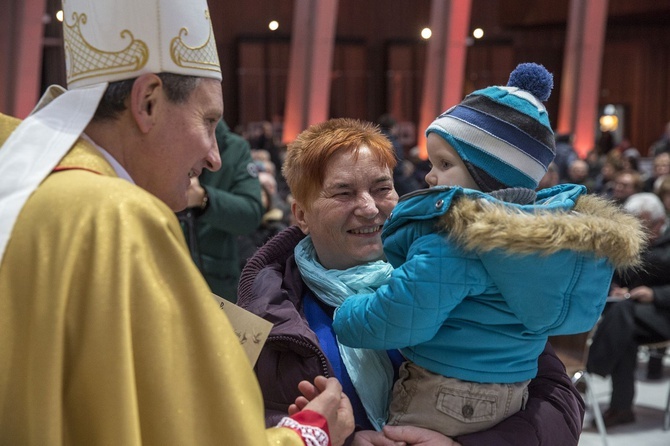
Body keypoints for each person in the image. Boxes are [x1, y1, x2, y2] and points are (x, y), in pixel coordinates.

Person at [0, 0, 354, 444]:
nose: (213, 156)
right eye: (208, 121)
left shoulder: (24, 185)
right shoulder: (117, 217)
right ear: (147, 102)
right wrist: (310, 432)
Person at [236, 116, 629, 446]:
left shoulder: (458, 268)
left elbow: (560, 402)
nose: (370, 208)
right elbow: (239, 424)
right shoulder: (264, 312)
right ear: (301, 214)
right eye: (343, 192)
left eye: (381, 188)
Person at [332, 63, 645, 437]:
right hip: (513, 394)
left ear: (489, 178)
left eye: (445, 164)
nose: (431, 176)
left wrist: (345, 312)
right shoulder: (535, 239)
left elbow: (399, 317)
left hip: (443, 390)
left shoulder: (460, 241)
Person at [586, 192, 670, 428]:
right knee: (624, 329)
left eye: (643, 225)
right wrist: (614, 288)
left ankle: (589, 367)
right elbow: (612, 272)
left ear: (660, 222)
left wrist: (654, 294)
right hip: (631, 315)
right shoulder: (633, 241)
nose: (638, 231)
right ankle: (621, 408)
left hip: (663, 313)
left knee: (621, 315)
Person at [177, 118, 263, 301]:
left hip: (217, 282)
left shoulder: (235, 148)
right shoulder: (167, 138)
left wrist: (204, 199)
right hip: (165, 273)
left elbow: (251, 213)